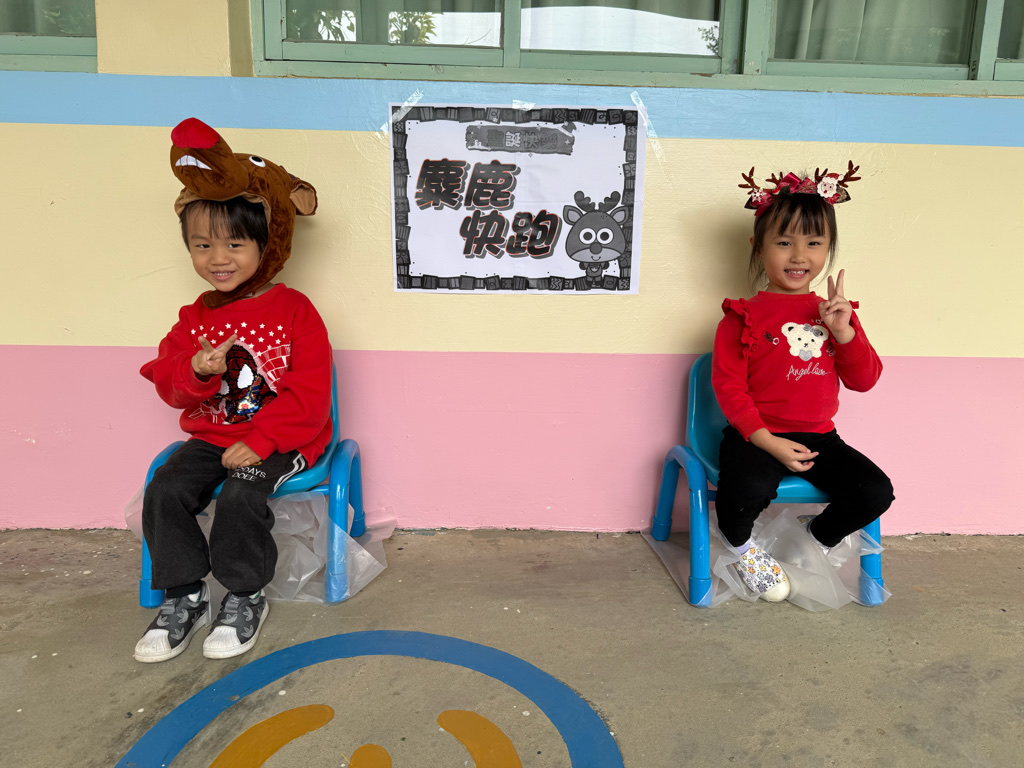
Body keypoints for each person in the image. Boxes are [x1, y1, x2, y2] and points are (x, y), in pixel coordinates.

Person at [134, 118, 330, 661]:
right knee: (165, 488)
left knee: (243, 494)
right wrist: (196, 370)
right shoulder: (194, 317)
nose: (217, 258)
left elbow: (311, 397)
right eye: (202, 245)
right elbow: (168, 382)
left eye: (234, 244)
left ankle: (245, 595)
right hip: (214, 436)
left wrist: (263, 440)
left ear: (267, 242)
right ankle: (186, 594)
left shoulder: (295, 311)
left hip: (282, 439)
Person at [711, 164, 894, 602]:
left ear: (828, 248)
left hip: (820, 439)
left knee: (875, 492)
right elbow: (730, 389)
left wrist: (844, 332)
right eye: (784, 242)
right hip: (756, 437)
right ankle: (745, 551)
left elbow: (865, 380)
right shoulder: (741, 317)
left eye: (813, 243)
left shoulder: (836, 314)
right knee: (741, 496)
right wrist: (767, 442)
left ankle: (812, 538)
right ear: (758, 248)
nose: (798, 255)